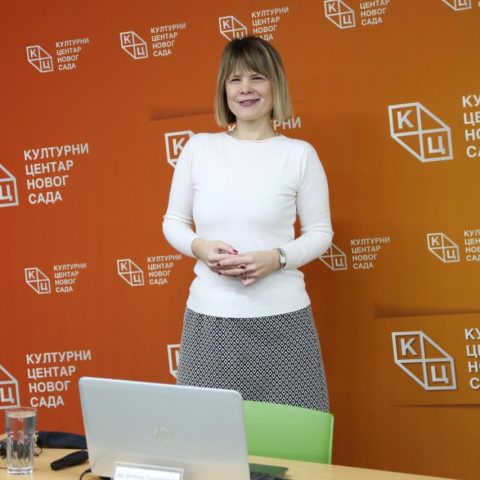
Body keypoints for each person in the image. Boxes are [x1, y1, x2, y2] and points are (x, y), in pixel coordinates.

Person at [162, 36, 333, 411]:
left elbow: (321, 232)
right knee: (206, 434)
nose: (245, 89)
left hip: (284, 321)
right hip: (210, 319)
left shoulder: (299, 155)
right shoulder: (199, 149)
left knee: (290, 439)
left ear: (275, 84)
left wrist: (277, 258)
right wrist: (200, 247)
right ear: (224, 90)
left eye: (257, 77)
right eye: (235, 79)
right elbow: (173, 221)